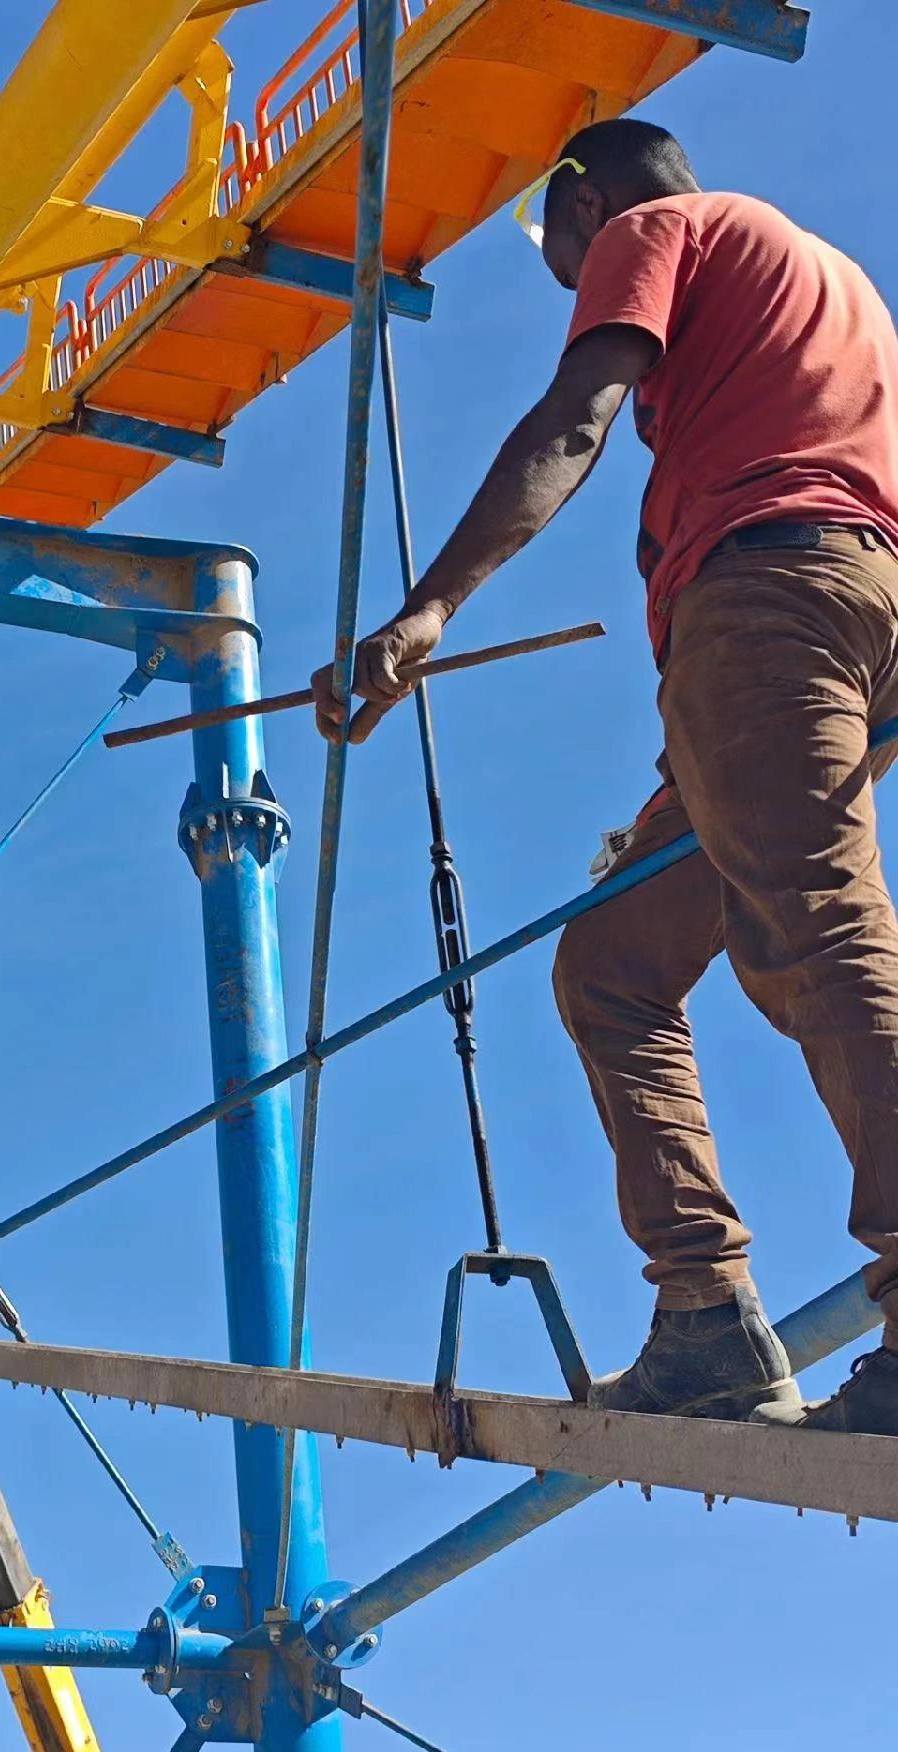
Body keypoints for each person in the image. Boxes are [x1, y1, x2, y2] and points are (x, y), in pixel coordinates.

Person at [311, 117, 898, 1435]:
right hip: (840, 612)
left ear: (584, 199)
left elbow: (576, 417)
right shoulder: (830, 280)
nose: (564, 267)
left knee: (819, 930)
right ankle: (708, 1321)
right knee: (613, 966)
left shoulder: (657, 230)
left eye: (551, 241)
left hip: (771, 604)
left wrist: (429, 608)